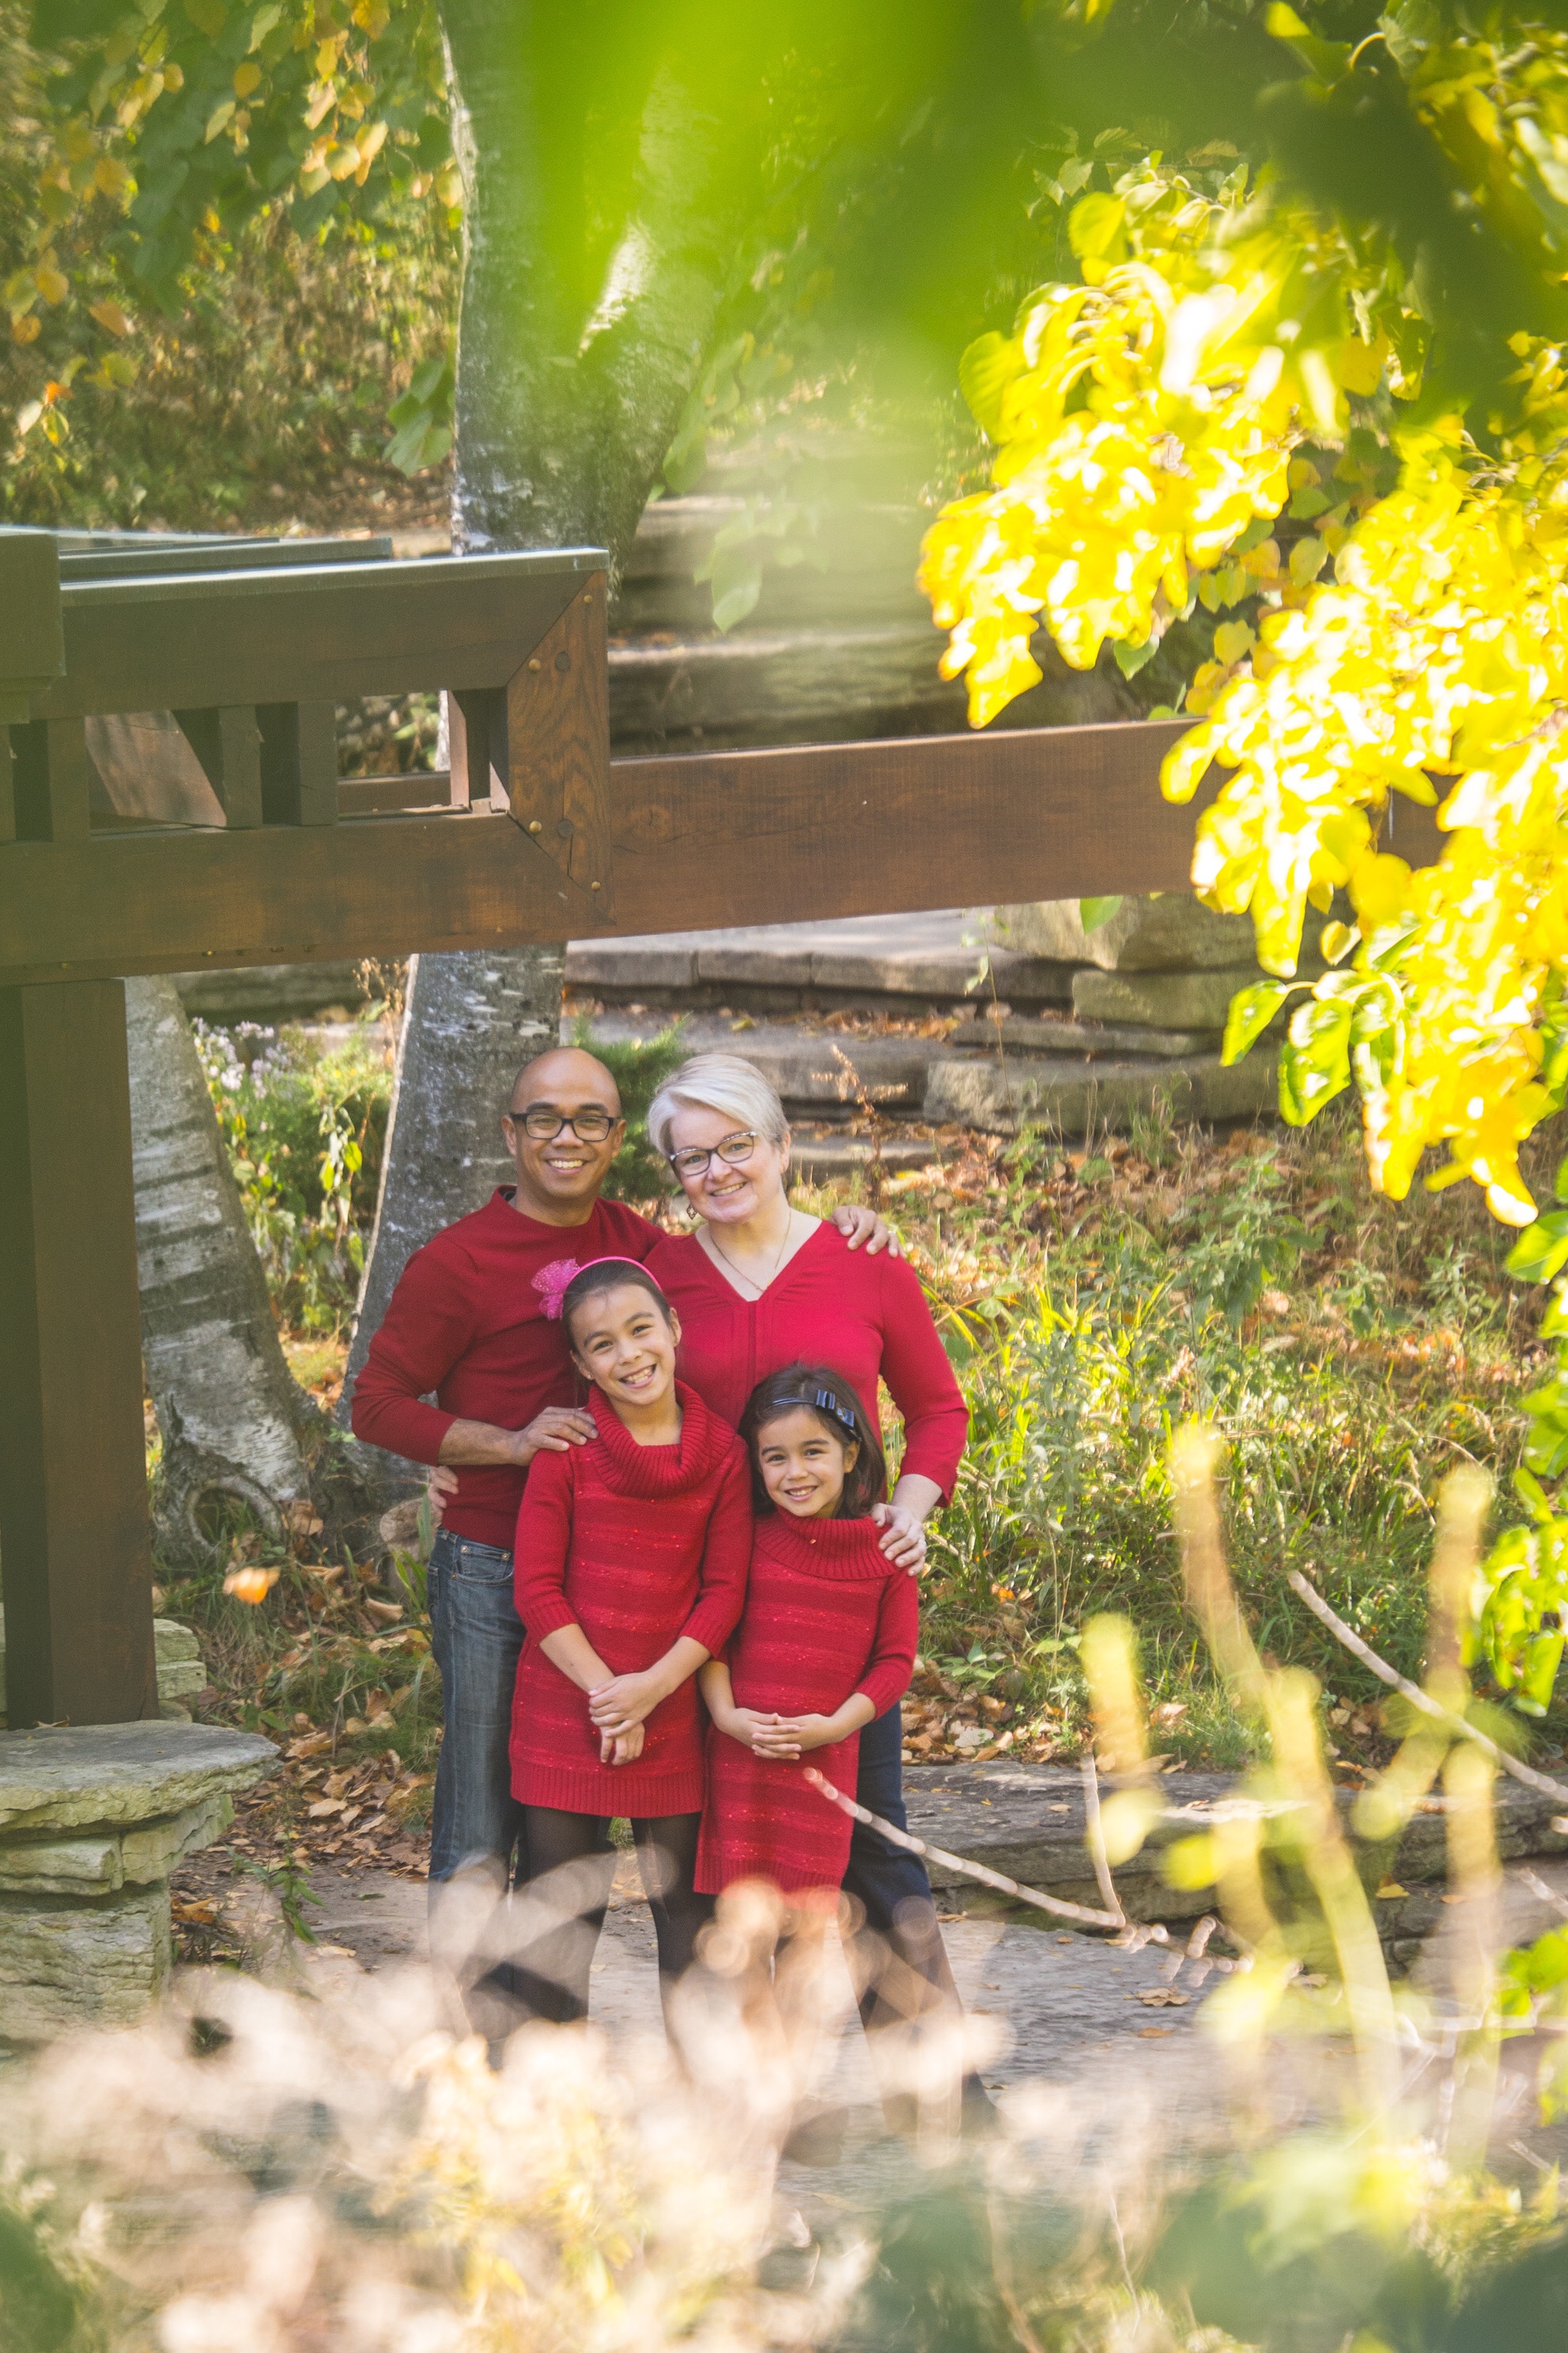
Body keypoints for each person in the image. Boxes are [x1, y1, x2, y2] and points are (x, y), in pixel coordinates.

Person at [349, 1043, 897, 1912]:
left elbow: (744, 1242)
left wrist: (846, 1226)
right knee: (484, 1815)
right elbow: (375, 1405)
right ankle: (461, 1999)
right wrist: (501, 1445)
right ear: (511, 1133)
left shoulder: (640, 1245)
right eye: (545, 1119)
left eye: (590, 1120)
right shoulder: (458, 1261)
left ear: (614, 1139)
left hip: (639, 1574)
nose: (567, 1137)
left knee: (651, 1809)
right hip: (496, 1561)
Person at [638, 1054, 977, 2104]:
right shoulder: (657, 1275)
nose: (717, 1170)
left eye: (737, 1144)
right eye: (691, 1156)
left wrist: (905, 1512)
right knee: (704, 1855)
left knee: (868, 1834)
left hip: (832, 1596)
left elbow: (937, 1408)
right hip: (697, 1597)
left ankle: (937, 2094)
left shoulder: (862, 1261)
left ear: (783, 1144)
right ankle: (738, 2103)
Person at [503, 1259, 750, 2029]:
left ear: (673, 1328)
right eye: (602, 1343)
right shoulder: (567, 1451)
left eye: (641, 1328)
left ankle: (704, 2087)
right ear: (581, 1364)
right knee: (557, 1914)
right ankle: (550, 2088)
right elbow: (536, 1589)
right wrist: (610, 1698)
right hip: (565, 1709)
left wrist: (649, 1690)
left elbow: (723, 1593)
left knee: (689, 1914)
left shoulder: (725, 1455)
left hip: (673, 1709)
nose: (629, 1353)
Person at [697, 1364, 917, 1901]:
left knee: (806, 1913)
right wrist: (725, 1716)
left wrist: (838, 1726)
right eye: (775, 1457)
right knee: (738, 1919)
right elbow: (714, 1632)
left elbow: (894, 1661)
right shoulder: (745, 1537)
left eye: (813, 1451)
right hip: (740, 1760)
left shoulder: (888, 1552)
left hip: (824, 1760)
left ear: (850, 1454)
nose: (795, 1472)